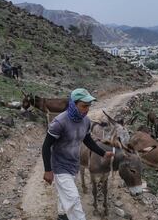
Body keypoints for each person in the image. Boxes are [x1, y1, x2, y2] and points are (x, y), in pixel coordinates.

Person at [42, 88, 114, 220]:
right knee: (74, 198)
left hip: (74, 164)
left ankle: (62, 214)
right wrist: (48, 170)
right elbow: (46, 146)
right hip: (60, 166)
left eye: (88, 106)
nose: (87, 109)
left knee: (65, 193)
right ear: (73, 104)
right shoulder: (59, 122)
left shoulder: (85, 121)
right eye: (84, 106)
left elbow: (87, 140)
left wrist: (103, 153)